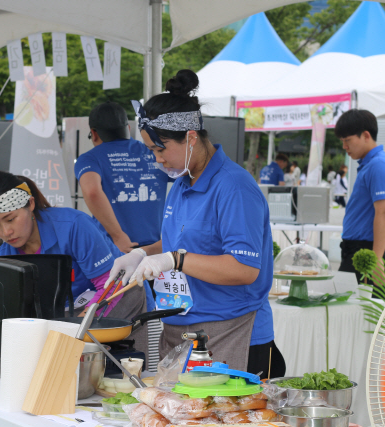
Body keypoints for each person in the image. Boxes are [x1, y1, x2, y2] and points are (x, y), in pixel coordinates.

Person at [107, 69, 285, 378]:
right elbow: (185, 241)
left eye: (160, 149)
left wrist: (175, 260)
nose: (158, 160)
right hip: (180, 332)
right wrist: (144, 254)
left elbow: (244, 269)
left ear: (190, 138)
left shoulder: (234, 188)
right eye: (151, 150)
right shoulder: (182, 182)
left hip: (230, 333)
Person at [0, 171, 155, 357]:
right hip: (68, 312)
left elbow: (110, 284)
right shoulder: (5, 257)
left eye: (10, 219)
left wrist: (77, 329)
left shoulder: (73, 226)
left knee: (124, 366)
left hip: (119, 294)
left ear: (31, 204)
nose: (6, 231)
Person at [75, 102, 168, 253]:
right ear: (128, 128)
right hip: (154, 249)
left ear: (94, 133)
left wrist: (118, 236)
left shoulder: (90, 158)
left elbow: (92, 191)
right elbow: (188, 177)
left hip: (114, 247)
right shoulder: (152, 152)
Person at [335, 109, 385, 283]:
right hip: (359, 251)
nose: (344, 147)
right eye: (342, 141)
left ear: (366, 135)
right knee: (352, 309)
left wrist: (376, 260)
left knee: (363, 309)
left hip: (368, 253)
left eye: (347, 140)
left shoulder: (378, 165)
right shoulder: (369, 164)